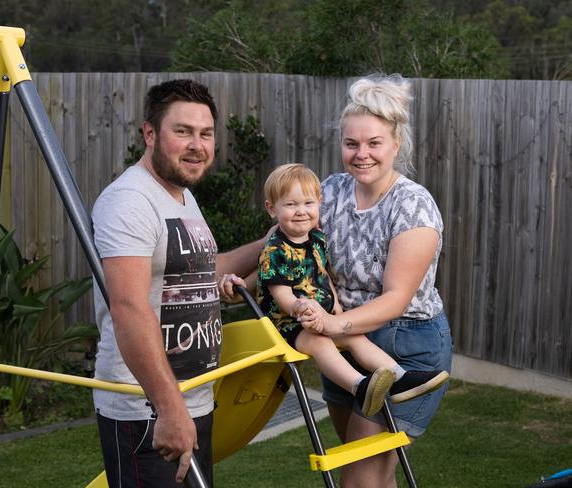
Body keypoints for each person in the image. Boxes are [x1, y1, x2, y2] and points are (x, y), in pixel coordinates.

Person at [91, 79, 265, 488]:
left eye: (205, 134)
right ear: (150, 134)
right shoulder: (130, 201)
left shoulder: (182, 196)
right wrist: (168, 409)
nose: (196, 145)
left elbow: (201, 270)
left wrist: (268, 242)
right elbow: (128, 307)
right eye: (182, 131)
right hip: (146, 408)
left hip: (195, 396)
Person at [292, 74, 454, 487]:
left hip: (404, 347)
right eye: (352, 144)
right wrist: (224, 269)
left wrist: (330, 326)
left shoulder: (413, 204)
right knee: (374, 477)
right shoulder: (331, 190)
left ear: (395, 145)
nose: (361, 154)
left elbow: (396, 298)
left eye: (374, 143)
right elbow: (284, 244)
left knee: (359, 480)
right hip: (345, 349)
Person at [255, 163, 448, 418]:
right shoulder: (275, 250)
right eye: (291, 205)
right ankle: (359, 386)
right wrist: (299, 308)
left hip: (319, 316)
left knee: (355, 337)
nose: (301, 211)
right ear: (272, 209)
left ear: (318, 203)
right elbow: (281, 294)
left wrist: (335, 309)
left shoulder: (317, 238)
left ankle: (401, 378)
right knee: (321, 343)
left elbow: (323, 276)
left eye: (308, 204)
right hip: (289, 323)